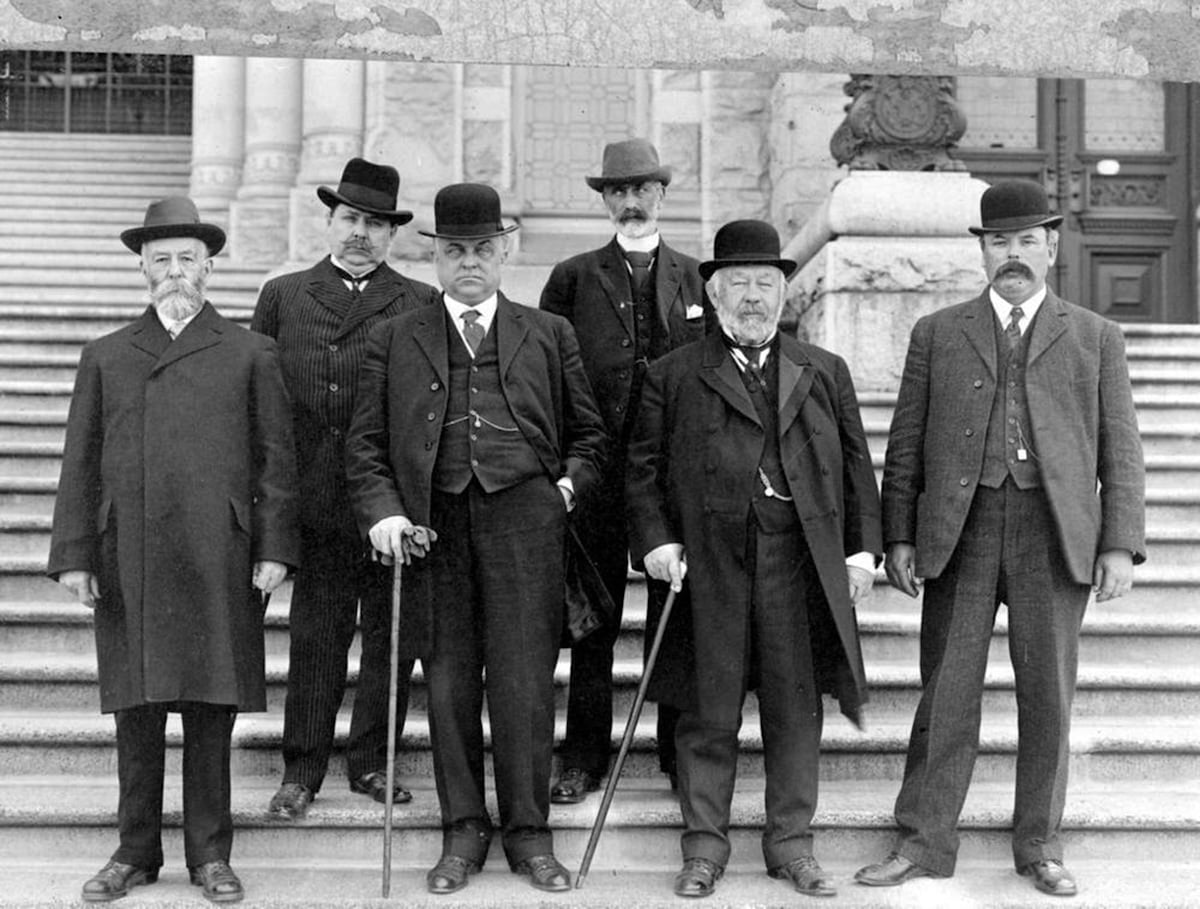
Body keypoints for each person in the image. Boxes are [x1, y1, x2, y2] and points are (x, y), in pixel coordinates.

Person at [854, 180, 1146, 898]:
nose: (1011, 255)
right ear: (980, 251)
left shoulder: (1094, 335)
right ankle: (924, 840)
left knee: (1047, 695)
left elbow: (1122, 448)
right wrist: (898, 536)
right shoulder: (937, 331)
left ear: (1050, 246)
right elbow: (908, 444)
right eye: (997, 241)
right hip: (961, 530)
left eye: (1024, 241)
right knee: (946, 693)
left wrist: (1119, 542)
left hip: (1055, 534)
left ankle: (1040, 844)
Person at [345, 183, 607, 895]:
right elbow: (365, 446)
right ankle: (463, 830)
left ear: (504, 251)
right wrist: (383, 513)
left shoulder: (548, 333)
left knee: (524, 685)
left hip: (527, 526)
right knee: (452, 684)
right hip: (434, 530)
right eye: (455, 250)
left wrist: (563, 491)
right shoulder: (394, 336)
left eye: (482, 249)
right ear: (435, 256)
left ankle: (529, 833)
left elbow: (590, 437)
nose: (469, 262)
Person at [47, 196, 300, 904]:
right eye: (161, 259)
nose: (175, 270)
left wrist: (275, 546)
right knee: (136, 704)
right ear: (142, 269)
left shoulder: (251, 350)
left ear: (210, 267)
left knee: (211, 705)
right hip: (126, 551)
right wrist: (74, 552)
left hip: (218, 548)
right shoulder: (106, 354)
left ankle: (209, 853)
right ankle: (134, 849)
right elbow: (80, 460)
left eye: (188, 257)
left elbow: (275, 459)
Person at [625, 219, 881, 899]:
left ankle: (792, 847)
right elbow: (641, 471)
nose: (752, 297)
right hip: (709, 569)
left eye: (765, 283)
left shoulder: (825, 372)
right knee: (708, 714)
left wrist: (861, 553)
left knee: (796, 711)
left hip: (798, 568)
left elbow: (858, 469)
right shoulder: (672, 373)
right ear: (711, 295)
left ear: (783, 294)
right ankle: (704, 849)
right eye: (737, 283)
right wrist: (655, 540)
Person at [251, 157, 440, 821]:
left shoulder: (419, 302)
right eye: (351, 218)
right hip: (316, 504)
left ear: (392, 236)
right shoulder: (284, 296)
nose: (361, 233)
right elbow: (260, 405)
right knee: (316, 638)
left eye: (375, 224)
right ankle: (301, 768)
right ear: (329, 221)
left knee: (392, 640)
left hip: (390, 505)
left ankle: (371, 762)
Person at [539, 137, 708, 803]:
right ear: (604, 199)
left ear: (663, 193)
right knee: (594, 620)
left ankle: (677, 751)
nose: (631, 201)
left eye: (642, 188)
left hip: (673, 476)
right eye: (618, 190)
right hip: (599, 473)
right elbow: (547, 374)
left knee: (679, 612)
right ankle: (582, 756)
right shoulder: (573, 276)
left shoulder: (697, 278)